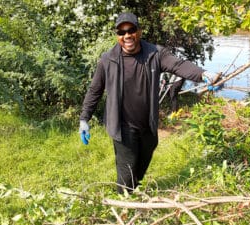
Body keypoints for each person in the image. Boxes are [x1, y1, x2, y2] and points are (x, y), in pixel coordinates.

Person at [79, 12, 218, 194]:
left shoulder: (155, 54)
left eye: (131, 30)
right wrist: (84, 118)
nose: (127, 35)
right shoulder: (108, 60)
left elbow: (178, 65)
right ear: (117, 36)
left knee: (141, 166)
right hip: (122, 126)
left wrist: (202, 74)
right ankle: (124, 207)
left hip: (148, 125)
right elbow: (95, 90)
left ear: (140, 31)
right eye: (122, 32)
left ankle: (134, 192)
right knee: (127, 172)